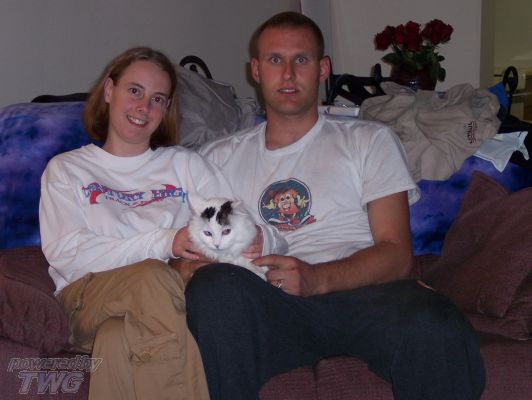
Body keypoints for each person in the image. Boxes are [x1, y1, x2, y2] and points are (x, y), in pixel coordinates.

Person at [184, 12, 486, 400]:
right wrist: (187, 269)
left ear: (323, 68)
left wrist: (316, 278)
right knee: (213, 289)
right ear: (255, 70)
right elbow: (188, 252)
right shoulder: (218, 157)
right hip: (268, 303)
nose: (288, 73)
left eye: (302, 59)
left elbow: (396, 254)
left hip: (360, 296)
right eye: (275, 60)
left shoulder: (370, 140)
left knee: (435, 321)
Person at [39, 46, 286, 400]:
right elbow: (69, 255)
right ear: (109, 91)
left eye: (158, 99)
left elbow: (255, 230)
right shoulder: (67, 169)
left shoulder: (186, 164)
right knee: (153, 278)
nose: (144, 107)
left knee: (117, 337)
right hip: (88, 298)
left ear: (167, 108)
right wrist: (165, 244)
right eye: (134, 91)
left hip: (160, 304)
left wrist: (263, 239)